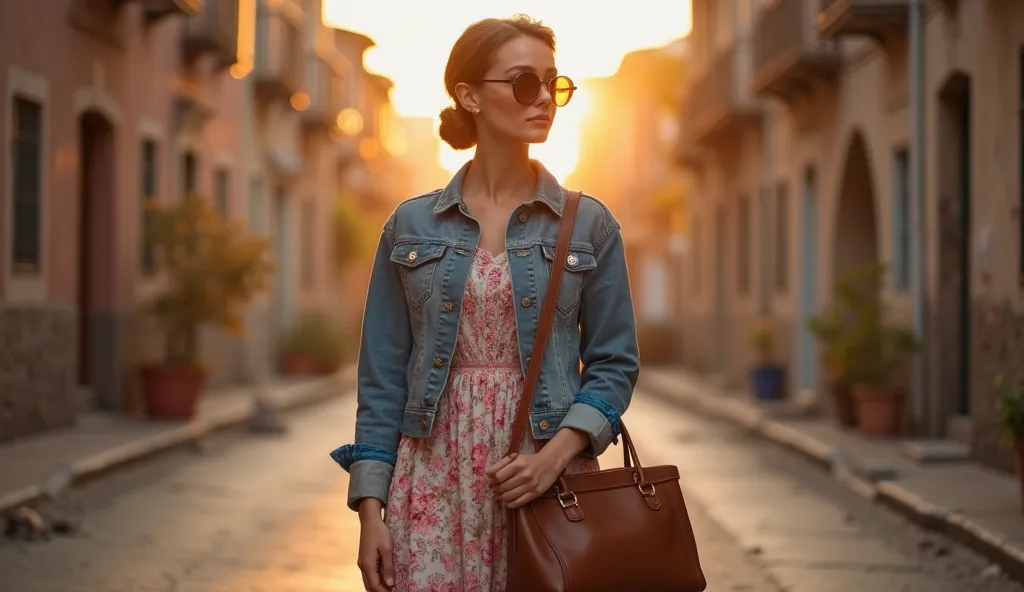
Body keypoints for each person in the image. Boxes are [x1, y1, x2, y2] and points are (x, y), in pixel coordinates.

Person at [330, 14, 639, 592]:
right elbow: (381, 377)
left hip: (548, 480)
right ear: (468, 95)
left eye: (554, 83)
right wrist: (371, 507)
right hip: (431, 483)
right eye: (524, 82)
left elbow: (615, 362)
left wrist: (554, 458)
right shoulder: (410, 225)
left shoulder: (589, 224)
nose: (544, 97)